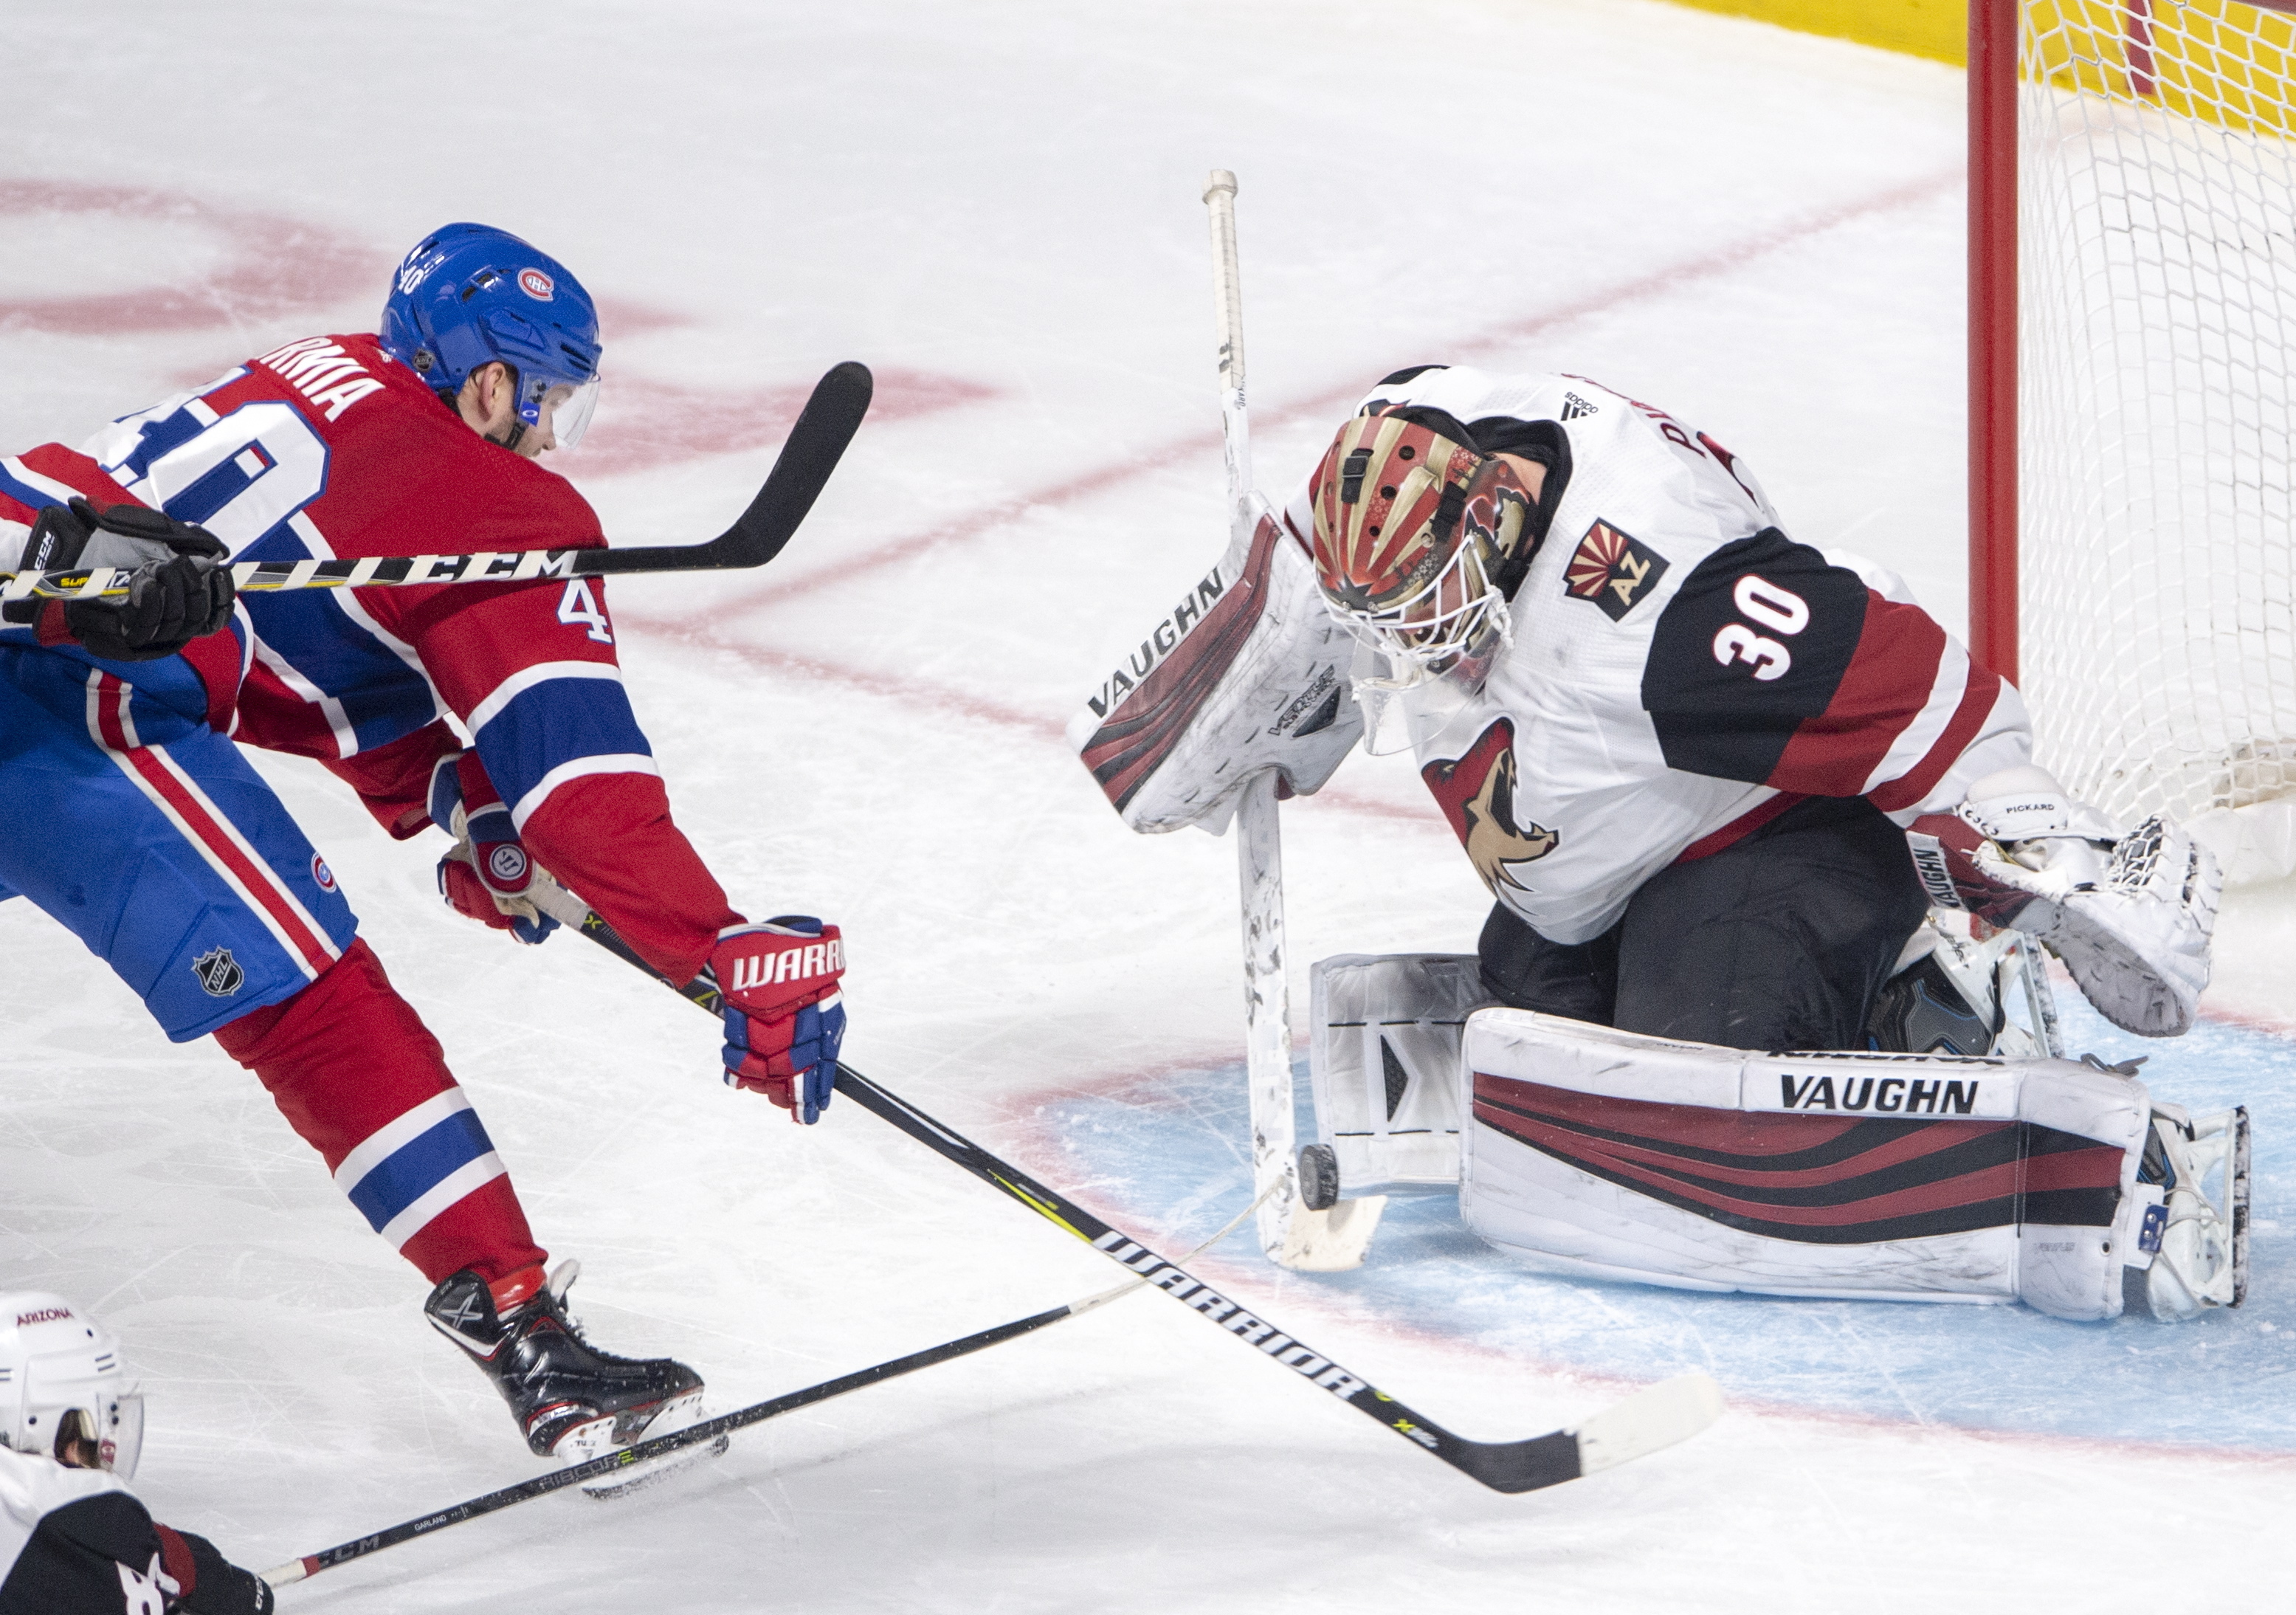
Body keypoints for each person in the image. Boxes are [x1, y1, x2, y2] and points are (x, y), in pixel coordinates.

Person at [1074, 364, 2235, 1321]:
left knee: (1692, 1087)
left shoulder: (1665, 602)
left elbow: (1928, 698)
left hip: (1776, 835)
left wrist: (2052, 860)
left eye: (1420, 609)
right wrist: (1228, 701)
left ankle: (1928, 992)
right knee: (1534, 1033)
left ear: (1492, 521)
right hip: (1619, 854)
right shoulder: (1421, 441)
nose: (1407, 649)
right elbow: (1330, 573)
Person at [0, 222, 844, 1473]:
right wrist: (717, 946)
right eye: (546, 399)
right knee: (310, 996)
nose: (552, 436)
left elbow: (311, 656)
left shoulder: (330, 371)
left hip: (35, 582)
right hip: (64, 701)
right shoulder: (504, 505)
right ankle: (514, 1317)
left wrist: (455, 796)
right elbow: (585, 789)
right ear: (490, 380)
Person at [0, 1293, 415, 1615]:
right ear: (37, 1422)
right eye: (90, 1426)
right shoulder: (46, 1524)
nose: (101, 1447)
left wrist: (159, 1569)